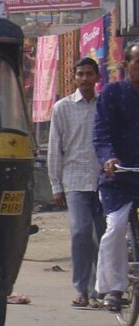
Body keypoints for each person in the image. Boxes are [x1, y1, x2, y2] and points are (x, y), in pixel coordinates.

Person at [48, 58, 104, 309]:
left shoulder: (105, 106)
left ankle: (99, 290)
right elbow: (54, 149)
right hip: (74, 180)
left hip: (104, 180)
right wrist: (55, 185)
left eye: (89, 74)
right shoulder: (62, 108)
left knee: (102, 236)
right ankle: (82, 290)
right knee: (81, 232)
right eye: (80, 74)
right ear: (74, 78)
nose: (84, 79)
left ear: (97, 77)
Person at [93, 43, 139, 313]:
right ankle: (114, 287)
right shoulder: (112, 93)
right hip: (118, 177)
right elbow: (101, 133)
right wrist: (109, 158)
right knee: (116, 226)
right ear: (126, 65)